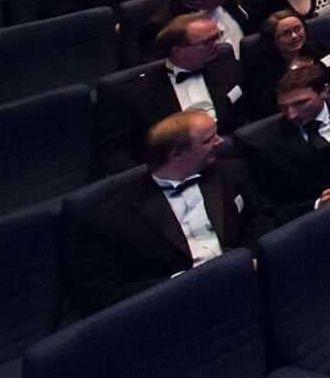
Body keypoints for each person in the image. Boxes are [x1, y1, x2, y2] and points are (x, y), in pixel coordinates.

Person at [66, 110, 270, 318]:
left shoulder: (231, 172)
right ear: (177, 155)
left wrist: (250, 256)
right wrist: (177, 285)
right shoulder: (110, 217)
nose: (220, 142)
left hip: (243, 280)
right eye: (209, 140)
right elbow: (101, 292)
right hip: (175, 307)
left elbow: (262, 216)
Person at [95, 10, 247, 173]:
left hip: (229, 161)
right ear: (177, 51)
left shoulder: (225, 64)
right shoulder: (133, 93)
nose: (217, 44)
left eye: (217, 36)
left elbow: (245, 113)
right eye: (207, 42)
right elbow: (115, 153)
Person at [238, 61, 330, 223]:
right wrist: (317, 206)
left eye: (300, 103)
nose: (291, 115)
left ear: (324, 91)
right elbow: (272, 207)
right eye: (283, 107)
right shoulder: (265, 144)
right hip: (318, 221)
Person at [242, 10, 330, 117]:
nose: (294, 36)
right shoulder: (262, 70)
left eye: (297, 29)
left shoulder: (317, 49)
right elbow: (265, 110)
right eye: (286, 33)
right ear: (273, 40)